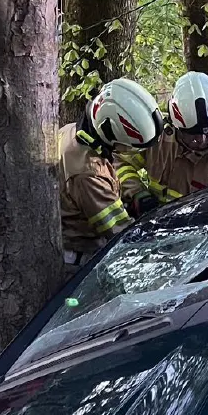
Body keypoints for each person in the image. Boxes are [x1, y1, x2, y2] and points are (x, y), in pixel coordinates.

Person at [59, 78, 162, 274]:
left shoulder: (74, 131)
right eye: (129, 147)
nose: (130, 152)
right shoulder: (88, 174)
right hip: (78, 259)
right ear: (109, 132)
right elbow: (120, 233)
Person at [116, 72, 208, 216]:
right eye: (194, 133)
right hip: (152, 223)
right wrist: (137, 192)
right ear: (176, 126)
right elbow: (120, 161)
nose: (202, 139)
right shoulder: (158, 139)